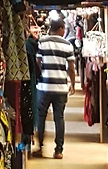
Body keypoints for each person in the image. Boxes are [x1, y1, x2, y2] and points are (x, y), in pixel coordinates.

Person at [32, 15, 76, 159]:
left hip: (44, 86)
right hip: (61, 87)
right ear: (61, 29)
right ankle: (58, 150)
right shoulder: (67, 45)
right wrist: (72, 84)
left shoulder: (42, 42)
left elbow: (38, 62)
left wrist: (43, 73)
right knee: (59, 118)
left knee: (41, 117)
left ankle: (40, 146)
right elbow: (71, 68)